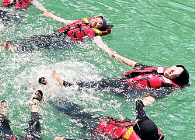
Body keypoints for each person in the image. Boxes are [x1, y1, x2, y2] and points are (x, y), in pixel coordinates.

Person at [48, 45, 189, 103]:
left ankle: (65, 85)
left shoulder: (168, 87)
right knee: (98, 84)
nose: (172, 69)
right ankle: (66, 85)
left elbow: (154, 97)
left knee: (97, 87)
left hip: (127, 91)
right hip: (123, 82)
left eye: (176, 72)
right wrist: (118, 56)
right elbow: (136, 65)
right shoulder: (158, 71)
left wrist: (142, 104)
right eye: (174, 67)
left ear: (177, 78)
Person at [52, 99, 164, 140]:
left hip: (95, 128)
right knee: (81, 112)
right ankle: (58, 98)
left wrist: (67, 139)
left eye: (136, 124)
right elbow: (139, 109)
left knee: (73, 116)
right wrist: (142, 101)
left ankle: (51, 103)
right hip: (105, 121)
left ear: (138, 134)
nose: (136, 121)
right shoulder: (146, 126)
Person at [3, 15, 113, 53]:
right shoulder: (82, 23)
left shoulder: (95, 35)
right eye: (96, 19)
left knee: (42, 44)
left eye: (99, 23)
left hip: (65, 41)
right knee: (37, 38)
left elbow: (100, 44)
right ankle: (13, 43)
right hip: (59, 34)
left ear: (100, 28)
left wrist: (109, 51)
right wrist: (52, 16)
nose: (96, 22)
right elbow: (65, 22)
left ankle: (17, 49)